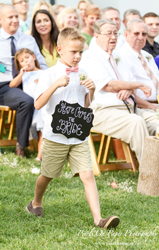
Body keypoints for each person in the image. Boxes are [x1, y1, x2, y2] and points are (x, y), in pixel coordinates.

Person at [27, 27, 119, 229]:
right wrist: (55, 85)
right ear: (60, 49)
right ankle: (35, 203)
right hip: (55, 135)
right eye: (73, 52)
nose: (78, 56)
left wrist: (91, 92)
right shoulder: (49, 75)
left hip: (78, 135)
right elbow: (38, 104)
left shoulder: (83, 74)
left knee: (87, 175)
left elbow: (84, 106)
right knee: (48, 175)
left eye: (80, 52)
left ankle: (99, 220)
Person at [81, 19, 157, 167]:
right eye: (109, 33)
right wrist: (137, 85)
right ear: (96, 36)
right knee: (137, 123)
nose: (114, 37)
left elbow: (129, 83)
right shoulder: (90, 58)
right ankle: (150, 175)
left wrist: (129, 88)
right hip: (103, 112)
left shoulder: (118, 56)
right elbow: (109, 85)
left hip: (130, 109)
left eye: (116, 33)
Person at [0, 4, 47, 157]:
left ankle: (50, 143)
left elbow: (43, 64)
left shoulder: (28, 40)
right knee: (26, 101)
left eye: (16, 16)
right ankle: (21, 146)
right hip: (5, 85)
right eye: (10, 17)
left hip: (30, 82)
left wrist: (38, 75)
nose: (15, 20)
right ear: (0, 20)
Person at [117, 18, 159, 107]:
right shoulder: (120, 56)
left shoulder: (147, 56)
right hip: (142, 106)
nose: (140, 37)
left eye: (144, 34)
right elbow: (129, 93)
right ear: (126, 34)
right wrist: (154, 108)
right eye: (136, 33)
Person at [10, 48, 45, 161]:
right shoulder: (23, 75)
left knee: (42, 130)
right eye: (22, 60)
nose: (26, 61)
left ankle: (39, 156)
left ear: (33, 57)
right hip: (30, 108)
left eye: (27, 57)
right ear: (19, 65)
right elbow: (12, 86)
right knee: (40, 129)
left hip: (42, 107)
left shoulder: (43, 73)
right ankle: (39, 154)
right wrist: (21, 74)